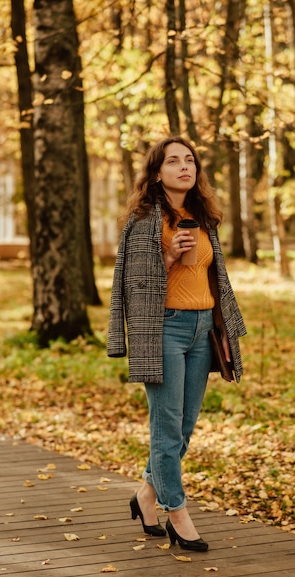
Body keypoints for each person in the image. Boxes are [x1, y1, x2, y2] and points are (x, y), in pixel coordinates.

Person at [107, 136, 246, 551]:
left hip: (202, 329)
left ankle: (145, 495)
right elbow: (132, 286)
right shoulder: (143, 220)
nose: (184, 167)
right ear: (156, 172)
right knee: (166, 428)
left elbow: (212, 276)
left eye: (190, 161)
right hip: (163, 329)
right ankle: (177, 512)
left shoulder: (202, 216)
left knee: (184, 426)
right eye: (173, 161)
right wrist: (166, 256)